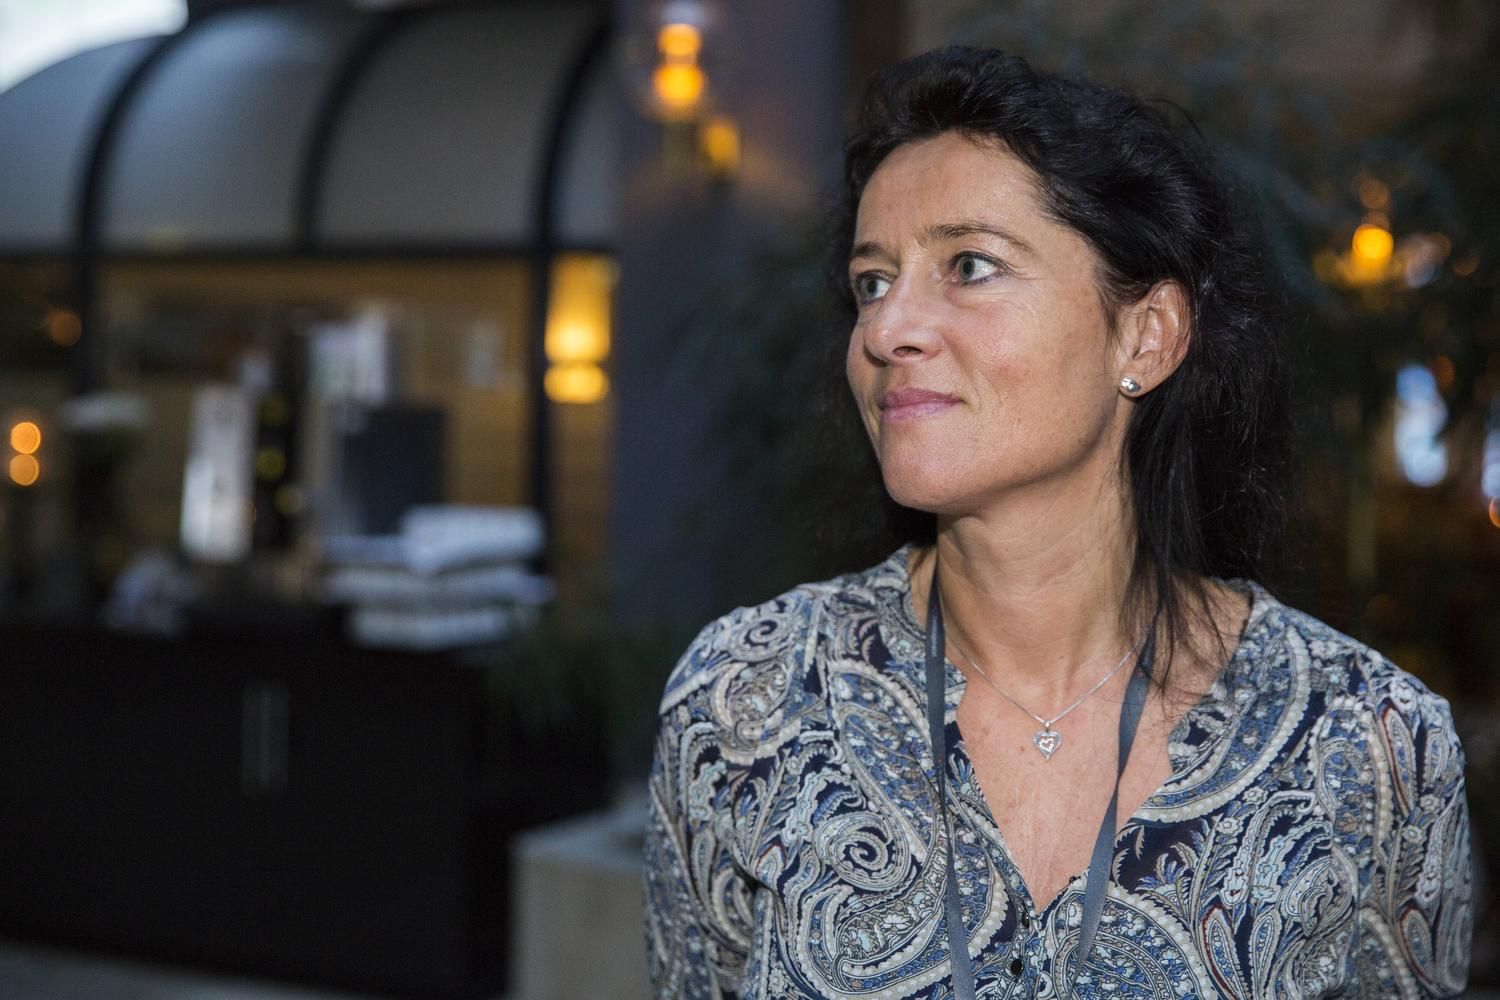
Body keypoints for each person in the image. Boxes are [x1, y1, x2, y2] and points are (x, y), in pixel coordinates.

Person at [643, 46, 1472, 999]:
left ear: (1146, 336)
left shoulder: (1370, 741)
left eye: (970, 266)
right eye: (871, 282)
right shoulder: (745, 701)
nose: (885, 329)